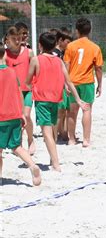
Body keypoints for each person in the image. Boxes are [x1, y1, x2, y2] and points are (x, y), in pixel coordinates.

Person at [25, 32, 87, 172]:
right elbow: (69, 81)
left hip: (42, 100)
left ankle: (56, 164)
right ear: (54, 45)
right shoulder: (59, 61)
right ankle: (53, 160)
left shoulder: (36, 59)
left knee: (47, 132)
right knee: (52, 130)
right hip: (56, 99)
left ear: (40, 45)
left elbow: (27, 81)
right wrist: (78, 100)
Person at [0, 41, 41, 186]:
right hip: (14, 116)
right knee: (17, 147)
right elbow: (18, 94)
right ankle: (32, 165)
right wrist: (22, 114)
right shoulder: (12, 73)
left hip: (1, 118)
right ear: (5, 54)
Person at [64, 17, 103, 148]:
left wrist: (66, 83)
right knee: (87, 110)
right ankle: (86, 140)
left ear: (77, 31)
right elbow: (98, 68)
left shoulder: (70, 46)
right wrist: (100, 84)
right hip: (87, 82)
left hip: (73, 82)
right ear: (89, 31)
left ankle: (71, 139)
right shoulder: (95, 47)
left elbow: (66, 66)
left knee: (72, 112)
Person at [4, 26, 37, 155]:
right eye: (14, 39)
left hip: (26, 90)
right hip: (12, 92)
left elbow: (36, 68)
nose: (17, 41)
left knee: (27, 115)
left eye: (19, 38)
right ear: (8, 40)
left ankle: (30, 140)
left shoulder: (29, 52)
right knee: (17, 118)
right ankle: (19, 144)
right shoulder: (5, 55)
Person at [55, 28, 73, 142]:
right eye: (67, 42)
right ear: (60, 40)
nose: (69, 45)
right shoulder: (55, 54)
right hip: (58, 85)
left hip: (65, 84)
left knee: (67, 110)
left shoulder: (65, 52)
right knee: (60, 112)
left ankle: (64, 132)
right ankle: (57, 133)